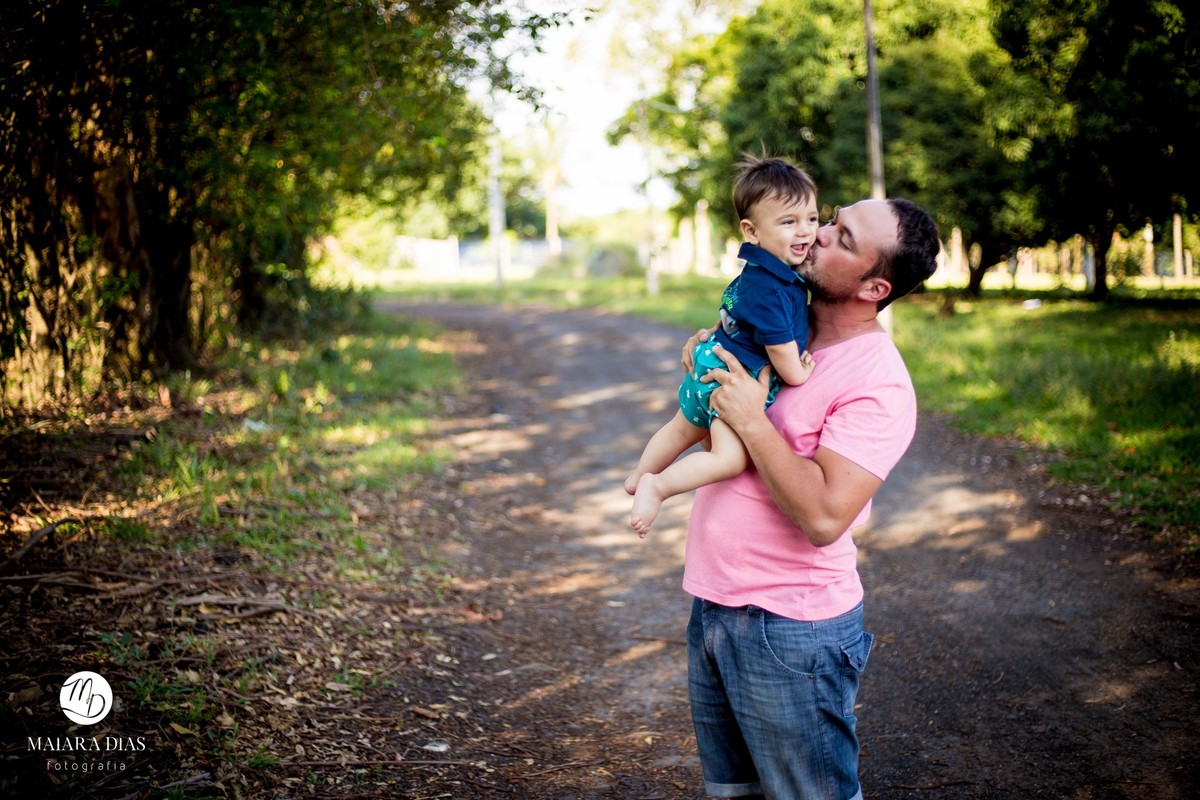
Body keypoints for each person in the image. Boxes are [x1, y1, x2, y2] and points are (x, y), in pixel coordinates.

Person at [678, 197, 940, 800]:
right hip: (714, 605)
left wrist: (751, 420)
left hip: (792, 630)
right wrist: (706, 362)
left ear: (874, 287)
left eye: (842, 238)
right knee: (731, 793)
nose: (818, 234)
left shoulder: (879, 382)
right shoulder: (780, 325)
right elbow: (709, 419)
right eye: (832, 219)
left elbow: (825, 516)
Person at [626, 156, 820, 537]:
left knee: (682, 429)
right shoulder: (774, 289)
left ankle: (637, 476)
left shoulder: (758, 272)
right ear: (752, 231)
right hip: (730, 381)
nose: (804, 232)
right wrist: (800, 373)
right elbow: (782, 352)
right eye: (788, 222)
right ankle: (658, 485)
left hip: (709, 359)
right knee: (728, 459)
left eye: (811, 219)